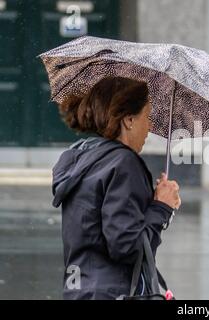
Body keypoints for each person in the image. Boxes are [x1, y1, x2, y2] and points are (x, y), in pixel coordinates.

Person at [51, 76, 181, 299]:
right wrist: (161, 207)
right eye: (147, 117)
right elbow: (127, 247)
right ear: (129, 120)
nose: (149, 128)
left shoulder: (82, 158)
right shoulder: (124, 163)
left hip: (79, 288)